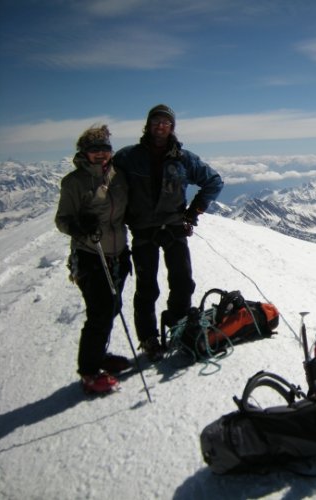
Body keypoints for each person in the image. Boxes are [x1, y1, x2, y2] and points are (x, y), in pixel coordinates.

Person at [113, 104, 224, 361]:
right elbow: (107, 182)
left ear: (172, 127)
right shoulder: (128, 157)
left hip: (174, 227)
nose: (161, 126)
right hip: (143, 230)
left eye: (166, 122)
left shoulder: (184, 158)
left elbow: (214, 181)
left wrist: (193, 212)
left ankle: (178, 327)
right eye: (156, 121)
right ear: (148, 125)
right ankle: (149, 339)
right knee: (147, 288)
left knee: (183, 283)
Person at [55, 124, 132, 394]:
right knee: (99, 312)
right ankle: (88, 371)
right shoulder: (74, 182)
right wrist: (80, 227)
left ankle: (99, 356)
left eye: (105, 149)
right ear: (84, 153)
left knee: (112, 306)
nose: (101, 154)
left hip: (118, 253)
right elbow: (62, 220)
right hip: (91, 254)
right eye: (94, 150)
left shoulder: (118, 176)